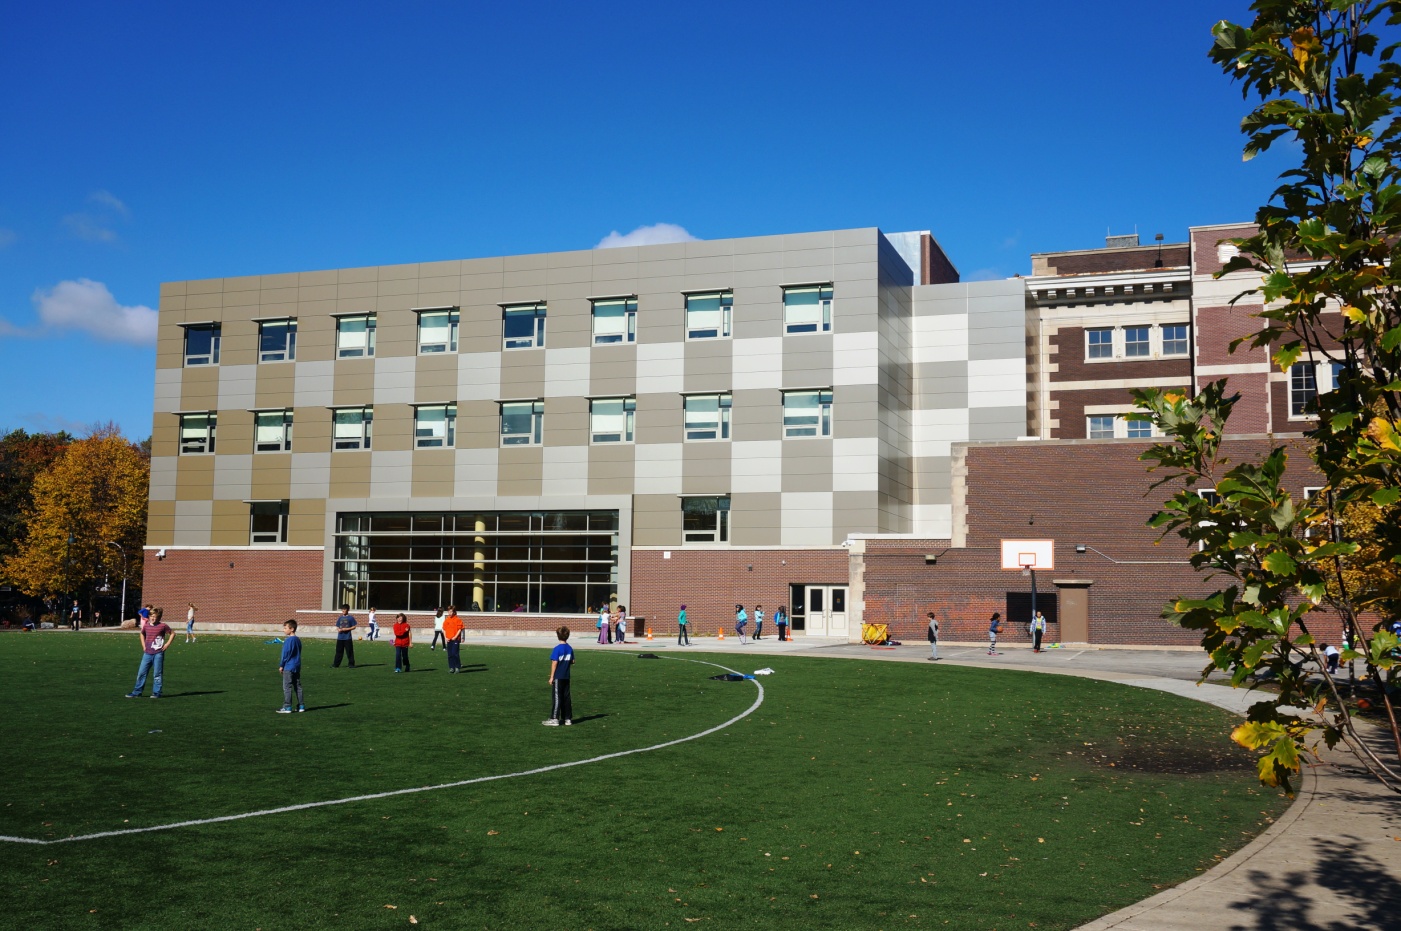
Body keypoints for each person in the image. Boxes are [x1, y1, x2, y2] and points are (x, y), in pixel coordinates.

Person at [126, 607, 172, 698]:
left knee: (157, 674)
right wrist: (143, 646)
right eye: (151, 616)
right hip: (147, 653)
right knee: (141, 673)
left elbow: (172, 633)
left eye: (155, 616)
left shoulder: (163, 626)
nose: (153, 618)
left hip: (158, 653)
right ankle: (137, 691)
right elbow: (142, 634)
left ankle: (157, 692)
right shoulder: (146, 626)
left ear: (159, 617)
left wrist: (167, 644)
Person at [543, 626, 575, 726]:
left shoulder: (557, 649)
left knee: (557, 697)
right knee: (566, 697)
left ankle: (554, 718)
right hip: (566, 676)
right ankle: (567, 718)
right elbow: (572, 661)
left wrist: (552, 676)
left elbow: (554, 663)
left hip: (558, 676)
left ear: (558, 636)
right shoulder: (569, 648)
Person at [278, 619, 305, 713]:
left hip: (288, 666)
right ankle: (301, 706)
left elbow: (285, 654)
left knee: (287, 687)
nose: (283, 630)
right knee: (297, 686)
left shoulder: (288, 641)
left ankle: (287, 706)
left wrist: (281, 665)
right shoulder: (298, 640)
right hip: (296, 666)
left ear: (292, 629)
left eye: (285, 628)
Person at [443, 607, 464, 673]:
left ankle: (457, 667)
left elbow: (460, 629)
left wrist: (455, 637)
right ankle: (451, 667)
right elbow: (444, 629)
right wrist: (445, 637)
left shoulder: (458, 620)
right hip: (449, 639)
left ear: (454, 612)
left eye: (451, 611)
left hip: (455, 639)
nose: (449, 613)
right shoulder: (447, 620)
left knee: (455, 653)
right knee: (450, 654)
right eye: (449, 611)